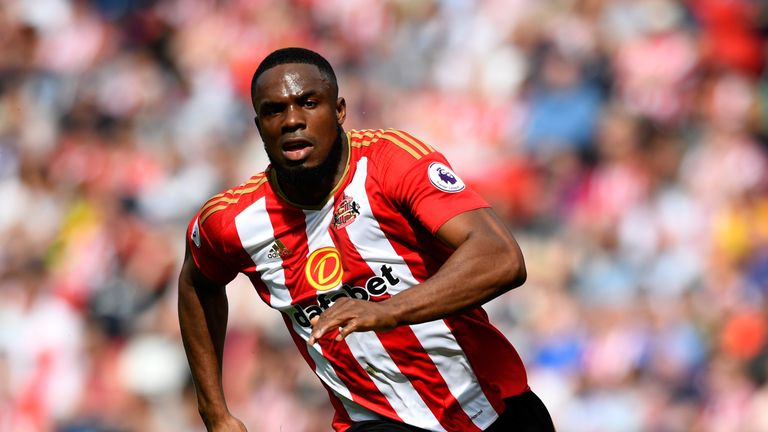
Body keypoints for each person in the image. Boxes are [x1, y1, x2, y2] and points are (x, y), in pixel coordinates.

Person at [178, 47, 555, 432]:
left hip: (490, 403)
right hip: (376, 419)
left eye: (308, 103)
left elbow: (501, 257)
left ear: (339, 110)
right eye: (275, 110)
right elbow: (197, 283)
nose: (292, 120)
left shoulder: (392, 162)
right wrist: (214, 412)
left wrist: (388, 310)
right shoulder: (231, 221)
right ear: (259, 127)